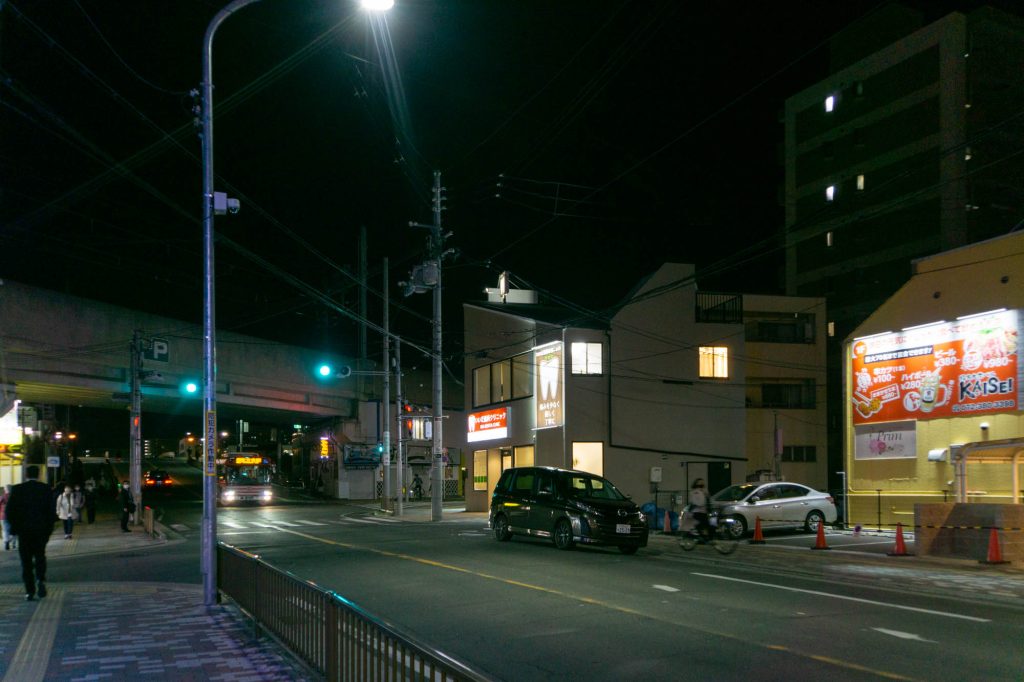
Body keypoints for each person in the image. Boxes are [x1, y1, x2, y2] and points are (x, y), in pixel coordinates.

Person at [7, 465, 57, 601]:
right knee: (40, 556)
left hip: (24, 533)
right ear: (39, 474)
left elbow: (9, 511)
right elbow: (51, 512)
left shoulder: (17, 489)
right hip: (40, 531)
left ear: (26, 475)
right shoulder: (45, 489)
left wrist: (14, 529)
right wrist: (48, 530)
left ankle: (29, 591)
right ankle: (40, 579)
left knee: (26, 562)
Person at [0, 485, 14, 551]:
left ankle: (7, 543)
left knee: (5, 530)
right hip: (13, 516)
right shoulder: (15, 497)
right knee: (13, 529)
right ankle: (11, 542)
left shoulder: (2, 497)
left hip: (3, 516)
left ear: (5, 490)